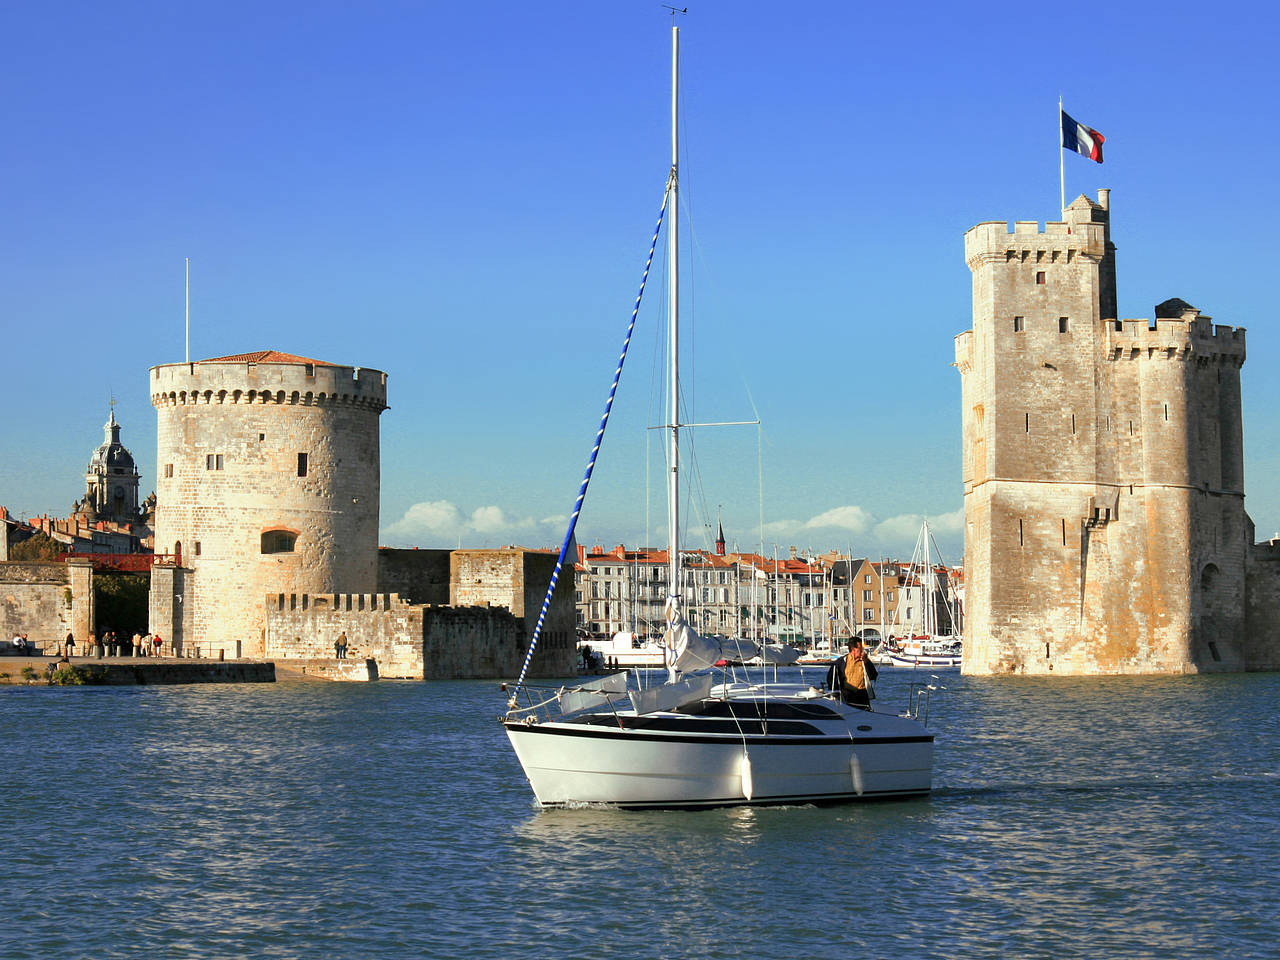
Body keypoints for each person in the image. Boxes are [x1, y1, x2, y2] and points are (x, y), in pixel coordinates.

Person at [826, 637, 878, 709]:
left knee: (865, 716)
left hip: (862, 695)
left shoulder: (865, 661)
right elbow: (831, 678)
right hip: (847, 695)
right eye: (860, 648)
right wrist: (837, 692)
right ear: (854, 649)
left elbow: (873, 676)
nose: (862, 650)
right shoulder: (841, 662)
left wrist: (866, 662)